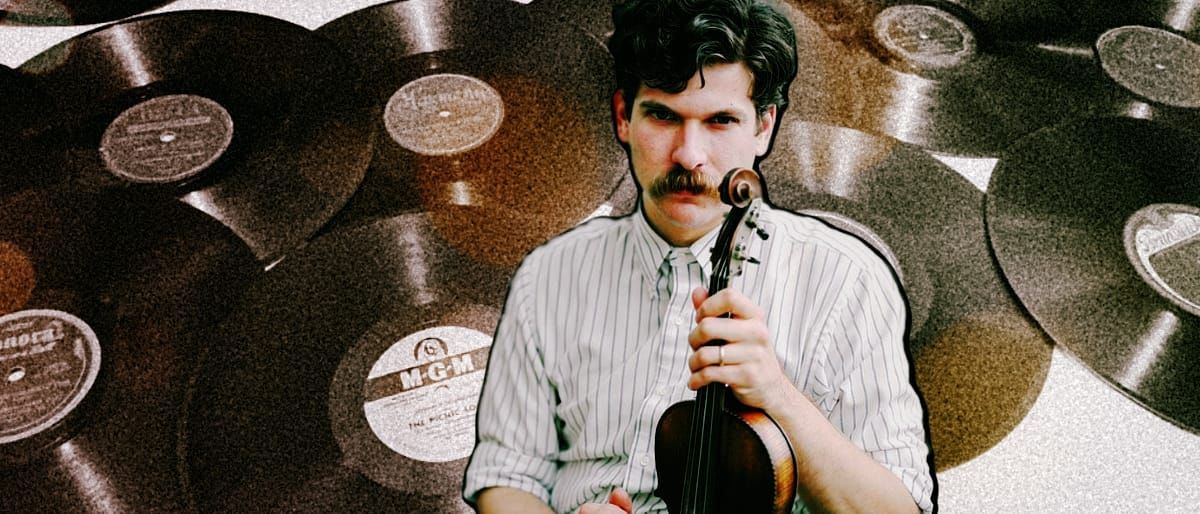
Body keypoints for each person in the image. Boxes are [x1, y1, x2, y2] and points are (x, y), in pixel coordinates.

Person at [463, 0, 934, 512]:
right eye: (663, 116)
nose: (689, 154)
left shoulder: (848, 277)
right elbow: (505, 476)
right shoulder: (549, 275)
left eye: (720, 121)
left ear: (764, 127)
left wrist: (777, 394)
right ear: (624, 117)